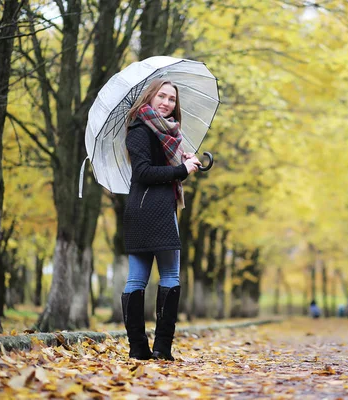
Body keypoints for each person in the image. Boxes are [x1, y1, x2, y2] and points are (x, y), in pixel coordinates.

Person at [121, 79, 202, 361]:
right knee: (166, 276)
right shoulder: (140, 129)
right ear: (150, 97)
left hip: (142, 210)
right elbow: (143, 172)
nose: (167, 103)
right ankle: (161, 348)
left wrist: (184, 159)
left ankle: (140, 349)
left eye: (172, 99)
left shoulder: (166, 134)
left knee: (136, 280)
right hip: (154, 212)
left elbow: (161, 165)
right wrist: (181, 169)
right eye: (162, 96)